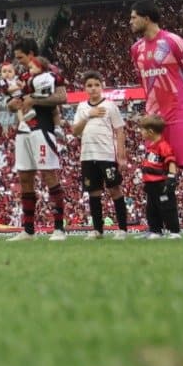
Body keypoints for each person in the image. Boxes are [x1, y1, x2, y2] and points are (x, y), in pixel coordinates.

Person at [129, 2, 183, 238]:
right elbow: (145, 83)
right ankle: (156, 228)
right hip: (153, 121)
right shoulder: (136, 49)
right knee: (153, 173)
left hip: (178, 115)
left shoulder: (173, 41)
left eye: (134, 17)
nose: (130, 22)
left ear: (147, 18)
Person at [5, 40, 68, 241]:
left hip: (43, 127)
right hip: (24, 130)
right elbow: (14, 103)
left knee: (49, 175)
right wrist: (13, 104)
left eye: (21, 57)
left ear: (31, 54)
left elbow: (62, 97)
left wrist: (35, 100)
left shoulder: (51, 72)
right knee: (25, 178)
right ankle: (28, 230)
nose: (19, 62)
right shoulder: (24, 77)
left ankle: (59, 229)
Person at [70, 71, 130, 240]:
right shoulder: (82, 107)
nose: (93, 88)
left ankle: (123, 229)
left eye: (96, 85)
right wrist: (89, 115)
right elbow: (75, 131)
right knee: (93, 192)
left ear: (102, 87)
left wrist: (121, 156)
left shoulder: (110, 106)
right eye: (89, 85)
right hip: (87, 156)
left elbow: (119, 131)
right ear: (85, 88)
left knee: (115, 190)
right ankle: (98, 230)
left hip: (107, 155)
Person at [139, 114, 182, 239]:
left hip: (161, 184)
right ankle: (155, 230)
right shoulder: (150, 146)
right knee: (152, 209)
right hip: (151, 185)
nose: (141, 132)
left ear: (150, 131)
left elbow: (171, 161)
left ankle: (174, 231)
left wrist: (171, 177)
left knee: (167, 207)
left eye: (142, 130)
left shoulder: (163, 146)